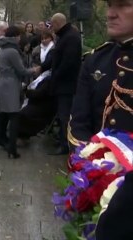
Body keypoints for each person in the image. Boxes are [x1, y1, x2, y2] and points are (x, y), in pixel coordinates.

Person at [70, 1, 133, 238]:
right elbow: (79, 123)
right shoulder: (95, 60)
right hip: (100, 189)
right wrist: (89, 171)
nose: (110, 14)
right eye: (109, 5)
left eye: (123, 5)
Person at [41, 13, 82, 155]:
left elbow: (68, 62)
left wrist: (56, 76)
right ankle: (62, 139)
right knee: (62, 113)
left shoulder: (70, 37)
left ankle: (65, 145)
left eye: (52, 25)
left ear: (58, 23)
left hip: (66, 85)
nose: (51, 28)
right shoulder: (66, 36)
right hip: (63, 83)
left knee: (65, 115)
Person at [0, 26, 37, 159]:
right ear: (15, 36)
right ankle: (12, 149)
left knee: (3, 115)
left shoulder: (2, 47)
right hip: (10, 86)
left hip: (2, 84)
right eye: (19, 36)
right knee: (14, 117)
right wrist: (35, 70)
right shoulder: (12, 51)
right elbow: (22, 70)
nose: (20, 38)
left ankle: (1, 140)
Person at [18, 30, 56, 143]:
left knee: (24, 113)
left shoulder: (49, 77)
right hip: (39, 96)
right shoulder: (40, 51)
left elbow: (41, 93)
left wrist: (26, 91)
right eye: (42, 38)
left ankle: (22, 135)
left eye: (46, 38)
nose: (44, 40)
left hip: (43, 103)